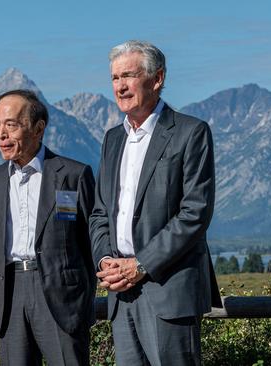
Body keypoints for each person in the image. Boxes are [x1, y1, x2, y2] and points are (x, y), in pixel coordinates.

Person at [89, 40, 223, 365]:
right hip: (121, 293)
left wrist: (141, 264)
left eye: (129, 76)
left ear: (157, 78)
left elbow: (195, 213)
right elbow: (100, 212)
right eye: (115, 78)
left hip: (168, 290)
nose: (120, 86)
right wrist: (106, 259)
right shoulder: (112, 139)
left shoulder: (190, 133)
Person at [0, 89, 96, 365]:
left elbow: (91, 239)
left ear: (38, 128)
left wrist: (83, 298)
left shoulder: (72, 174)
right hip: (10, 293)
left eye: (11, 125)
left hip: (61, 293)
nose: (1, 134)